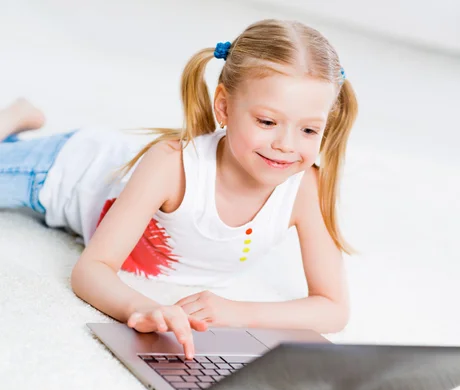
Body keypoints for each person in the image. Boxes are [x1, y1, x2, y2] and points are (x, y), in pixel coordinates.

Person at [0, 19, 358, 359]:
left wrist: (236, 312)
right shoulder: (171, 165)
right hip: (61, 170)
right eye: (267, 121)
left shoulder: (306, 186)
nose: (286, 144)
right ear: (224, 107)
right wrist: (141, 307)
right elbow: (91, 269)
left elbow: (333, 308)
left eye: (309, 130)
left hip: (109, 166)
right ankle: (14, 117)